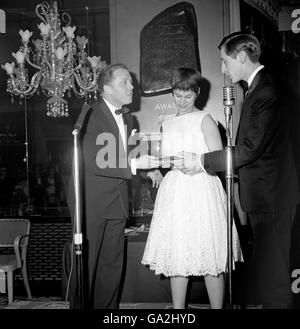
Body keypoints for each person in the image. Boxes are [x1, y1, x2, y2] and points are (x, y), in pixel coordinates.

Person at [176, 33, 300, 308]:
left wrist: (201, 162)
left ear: (241, 57)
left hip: (272, 199)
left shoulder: (265, 90)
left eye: (224, 61)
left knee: (275, 278)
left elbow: (249, 149)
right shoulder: (259, 88)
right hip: (268, 197)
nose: (222, 69)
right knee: (270, 276)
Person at [141, 67, 242, 309]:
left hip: (202, 190)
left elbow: (219, 160)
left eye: (188, 96)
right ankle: (178, 312)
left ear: (197, 93)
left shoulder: (206, 120)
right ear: (172, 92)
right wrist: (157, 169)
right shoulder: (168, 124)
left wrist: (197, 165)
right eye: (178, 95)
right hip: (175, 191)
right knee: (179, 253)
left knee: (210, 254)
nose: (183, 101)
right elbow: (169, 159)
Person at [68, 63, 159, 309]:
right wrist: (134, 165)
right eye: (125, 83)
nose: (132, 86)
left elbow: (127, 155)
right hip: (92, 204)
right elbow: (92, 159)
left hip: (117, 203)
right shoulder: (90, 114)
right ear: (106, 89)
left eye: (131, 82)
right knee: (85, 269)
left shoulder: (128, 118)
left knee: (111, 268)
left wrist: (147, 169)